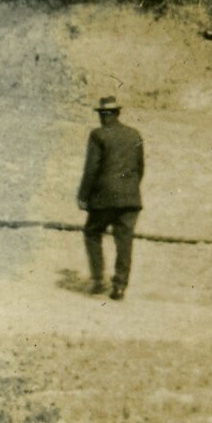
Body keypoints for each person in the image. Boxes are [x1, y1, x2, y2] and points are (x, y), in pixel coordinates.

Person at [77, 96, 145, 300]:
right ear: (117, 113)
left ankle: (98, 281)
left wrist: (83, 195)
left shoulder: (98, 135)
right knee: (124, 240)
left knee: (92, 232)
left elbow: (91, 169)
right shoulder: (134, 135)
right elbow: (140, 168)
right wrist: (129, 189)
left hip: (104, 197)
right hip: (130, 198)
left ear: (103, 115)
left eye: (102, 114)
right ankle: (120, 286)